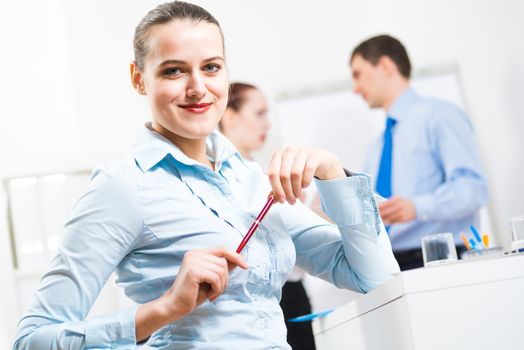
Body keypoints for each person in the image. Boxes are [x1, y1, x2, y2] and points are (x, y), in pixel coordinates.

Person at [13, 3, 399, 349]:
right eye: (173, 71)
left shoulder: (252, 180)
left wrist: (332, 173)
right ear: (138, 78)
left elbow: (374, 277)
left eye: (211, 67)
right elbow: (32, 340)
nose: (198, 88)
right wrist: (165, 308)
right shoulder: (124, 187)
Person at [349, 34, 488, 270]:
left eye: (358, 74)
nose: (355, 89)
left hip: (441, 259)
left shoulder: (439, 116)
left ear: (385, 66)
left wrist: (417, 207)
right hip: (391, 263)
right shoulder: (376, 147)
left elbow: (473, 189)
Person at [220, 82, 316, 350]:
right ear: (229, 116)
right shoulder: (218, 182)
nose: (268, 125)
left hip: (292, 296)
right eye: (259, 114)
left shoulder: (269, 175)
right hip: (250, 300)